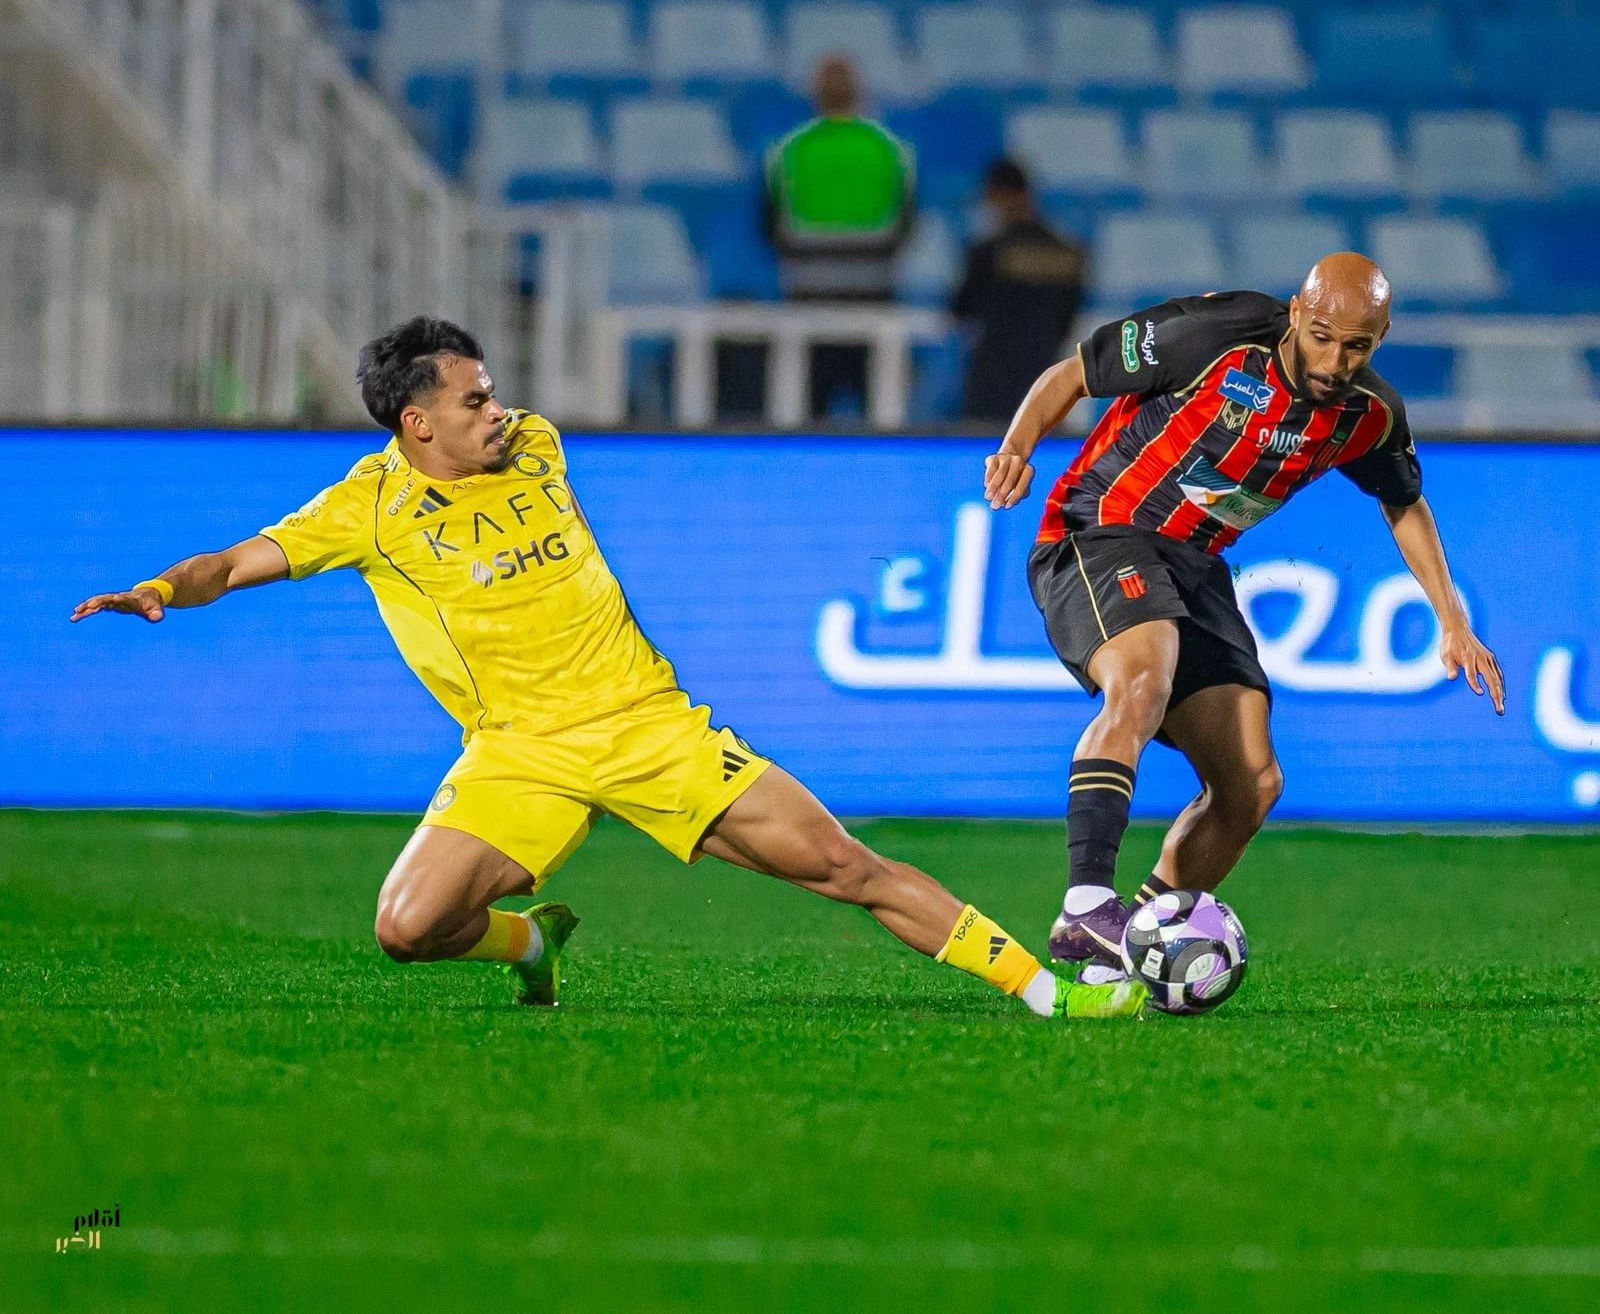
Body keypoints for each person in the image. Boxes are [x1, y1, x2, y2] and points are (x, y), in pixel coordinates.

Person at [73, 316, 1142, 1021]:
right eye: (474, 402)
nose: (499, 410)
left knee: (843, 866)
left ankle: (1050, 992)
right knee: (406, 928)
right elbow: (234, 563)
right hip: (518, 753)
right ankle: (528, 943)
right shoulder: (367, 509)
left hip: (649, 728)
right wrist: (165, 586)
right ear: (416, 422)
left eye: (494, 392)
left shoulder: (535, 444)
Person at [980, 256, 1505, 982]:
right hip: (1098, 527)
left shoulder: (1370, 414)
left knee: (1250, 783)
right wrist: (1016, 447)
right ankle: (1086, 903)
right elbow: (1071, 373)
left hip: (1195, 564)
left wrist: (1453, 620)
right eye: (1322, 338)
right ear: (1296, 312)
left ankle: (1131, 952)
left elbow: (1403, 501)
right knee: (1143, 676)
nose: (1335, 362)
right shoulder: (1214, 334)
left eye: (1357, 346)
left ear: (1381, 338)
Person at [762, 55, 916, 419]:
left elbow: (770, 226)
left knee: (809, 413)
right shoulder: (891, 150)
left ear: (815, 94)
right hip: (875, 299)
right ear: (858, 92)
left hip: (807, 300)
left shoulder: (788, 151)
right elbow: (907, 225)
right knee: (878, 412)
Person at [952, 157, 1088, 424]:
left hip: (991, 382)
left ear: (996, 196)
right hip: (1045, 380)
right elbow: (1069, 316)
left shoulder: (988, 252)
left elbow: (960, 309)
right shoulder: (1069, 253)